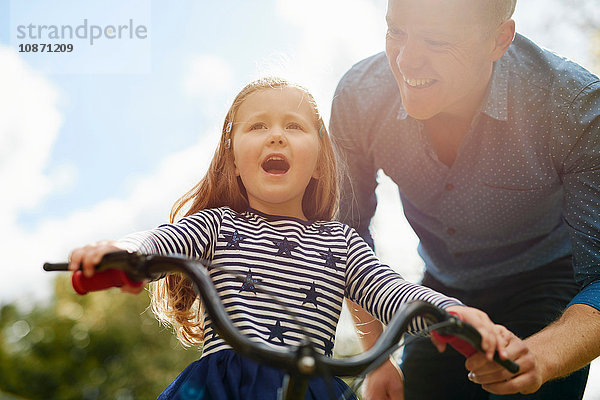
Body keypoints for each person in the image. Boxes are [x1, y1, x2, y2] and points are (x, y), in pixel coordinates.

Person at [67, 77, 509, 400]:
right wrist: (124, 254)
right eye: (257, 126)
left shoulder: (341, 242)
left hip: (312, 388)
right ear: (234, 161)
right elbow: (162, 241)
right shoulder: (218, 225)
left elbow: (393, 293)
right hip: (225, 389)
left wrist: (451, 313)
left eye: (294, 127)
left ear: (318, 162)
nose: (276, 133)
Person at [329, 0, 600, 399]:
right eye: (396, 31)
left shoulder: (573, 106)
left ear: (499, 40)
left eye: (437, 42)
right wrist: (377, 358)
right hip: (441, 292)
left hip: (546, 283)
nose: (406, 61)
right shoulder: (360, 97)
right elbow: (346, 233)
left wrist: (539, 357)